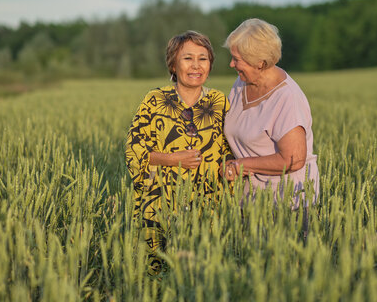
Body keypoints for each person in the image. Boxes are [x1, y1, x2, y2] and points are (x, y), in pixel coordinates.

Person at [125, 30, 233, 275]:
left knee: (201, 274)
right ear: (173, 64)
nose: (196, 66)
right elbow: (134, 149)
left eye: (203, 58)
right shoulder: (155, 99)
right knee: (155, 276)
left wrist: (231, 167)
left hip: (208, 205)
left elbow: (232, 149)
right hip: (160, 202)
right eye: (188, 58)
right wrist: (172, 159)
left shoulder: (220, 102)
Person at [222, 18, 319, 213]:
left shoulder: (287, 98)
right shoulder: (242, 83)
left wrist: (242, 165)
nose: (232, 64)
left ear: (260, 63)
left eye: (237, 59)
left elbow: (293, 159)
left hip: (287, 204)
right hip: (251, 200)